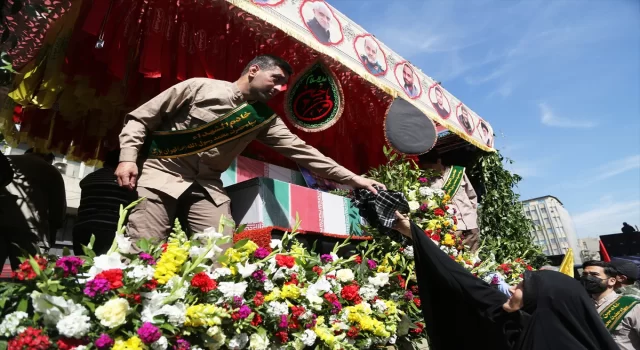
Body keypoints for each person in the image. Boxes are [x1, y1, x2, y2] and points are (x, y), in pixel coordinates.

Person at [116, 55, 384, 246]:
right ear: (254, 70)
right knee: (143, 250)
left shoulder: (263, 119)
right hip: (162, 175)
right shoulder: (198, 87)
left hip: (206, 187)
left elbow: (305, 153)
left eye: (283, 85)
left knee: (218, 258)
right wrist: (128, 158)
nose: (279, 88)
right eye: (276, 79)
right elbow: (140, 119)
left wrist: (355, 179)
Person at [391, 212, 618, 350]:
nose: (511, 287)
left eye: (521, 286)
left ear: (544, 299)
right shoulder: (512, 321)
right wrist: (412, 232)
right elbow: (463, 282)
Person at [0, 151, 66, 269]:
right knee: (28, 278)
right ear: (48, 158)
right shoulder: (50, 170)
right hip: (30, 231)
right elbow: (58, 207)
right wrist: (53, 232)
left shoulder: (5, 160)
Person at [73, 149, 137, 255]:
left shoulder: (90, 177)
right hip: (109, 230)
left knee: (82, 264)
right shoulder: (123, 179)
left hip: (82, 228)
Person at [419, 152, 480, 252]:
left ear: (439, 161)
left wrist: (473, 215)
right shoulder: (429, 183)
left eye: (431, 166)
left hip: (471, 223)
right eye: (427, 168)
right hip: (455, 228)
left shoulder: (457, 172)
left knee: (473, 257)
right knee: (459, 259)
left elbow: (472, 195)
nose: (430, 170)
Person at [582, 260, 640, 349]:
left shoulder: (632, 305)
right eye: (585, 274)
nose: (588, 278)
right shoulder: (581, 305)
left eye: (594, 275)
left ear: (612, 281)